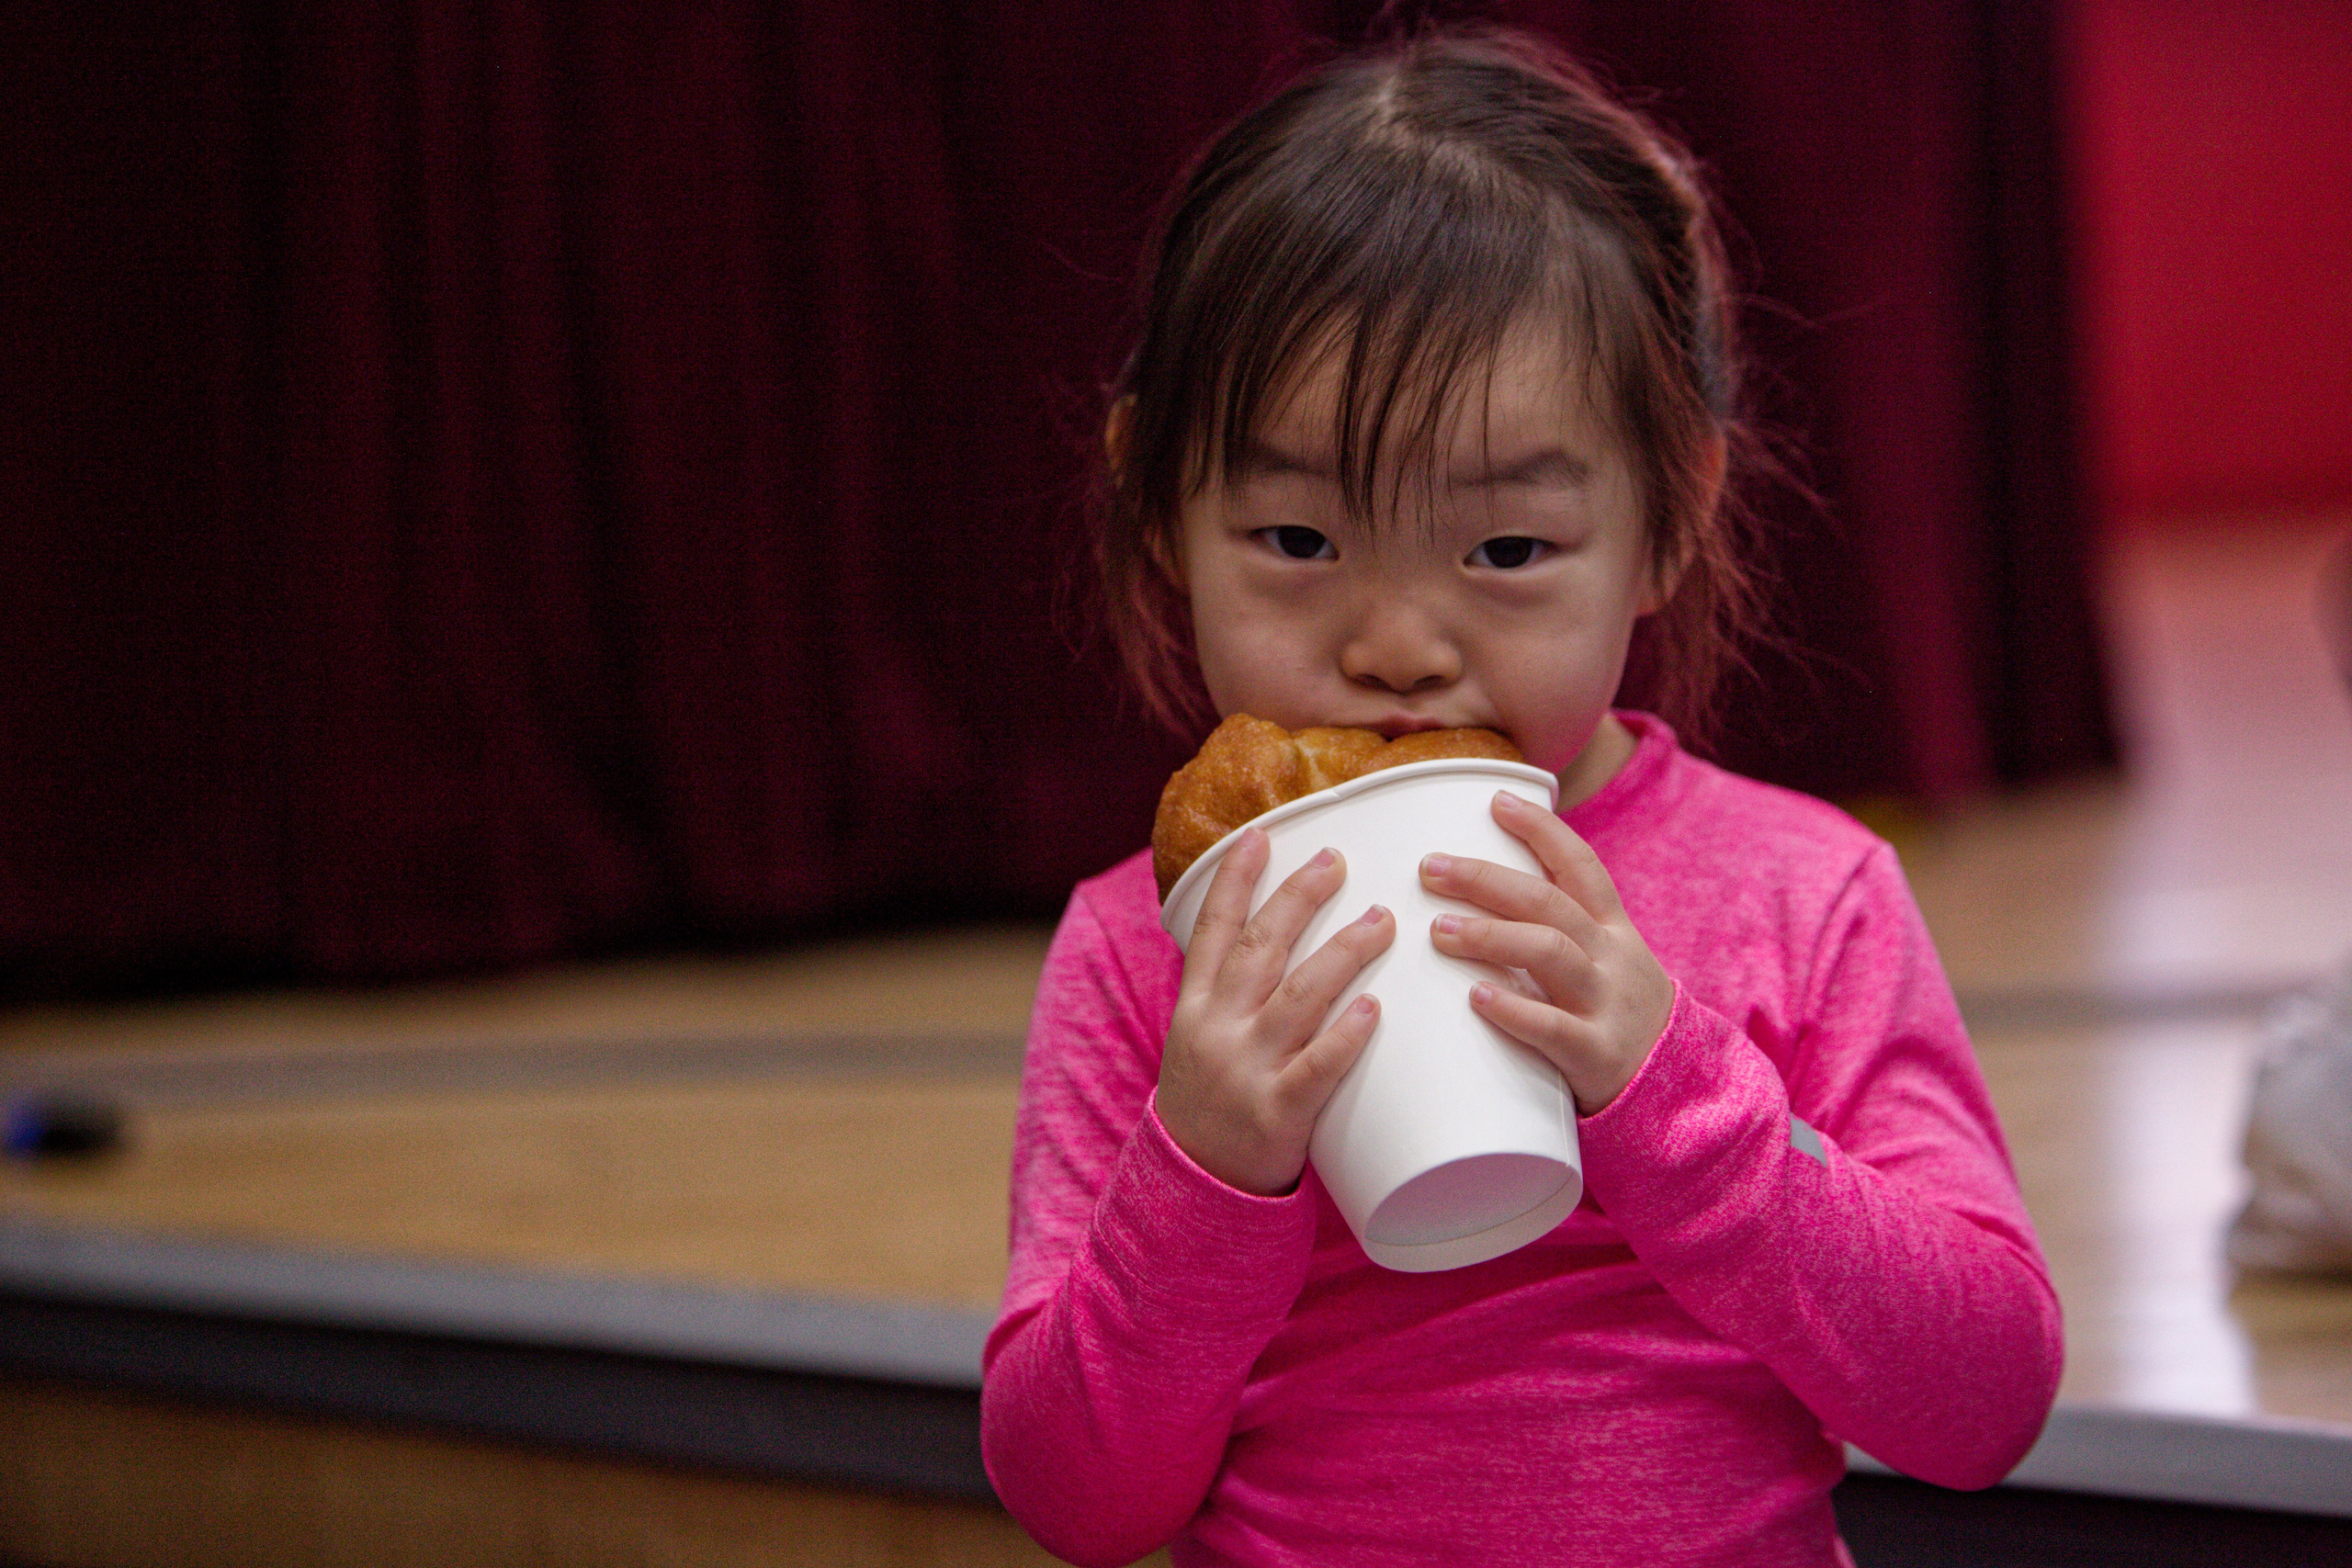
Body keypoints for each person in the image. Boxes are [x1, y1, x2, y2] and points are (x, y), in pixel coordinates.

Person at [980, 27, 2062, 1568]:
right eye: (1295, 539)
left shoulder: (1800, 892)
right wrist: (1211, 1164)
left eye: (1505, 553)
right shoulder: (1138, 953)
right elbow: (1074, 1498)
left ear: (1669, 518)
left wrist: (1680, 1095)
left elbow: (1986, 1396)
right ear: (1159, 502)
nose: (1398, 646)